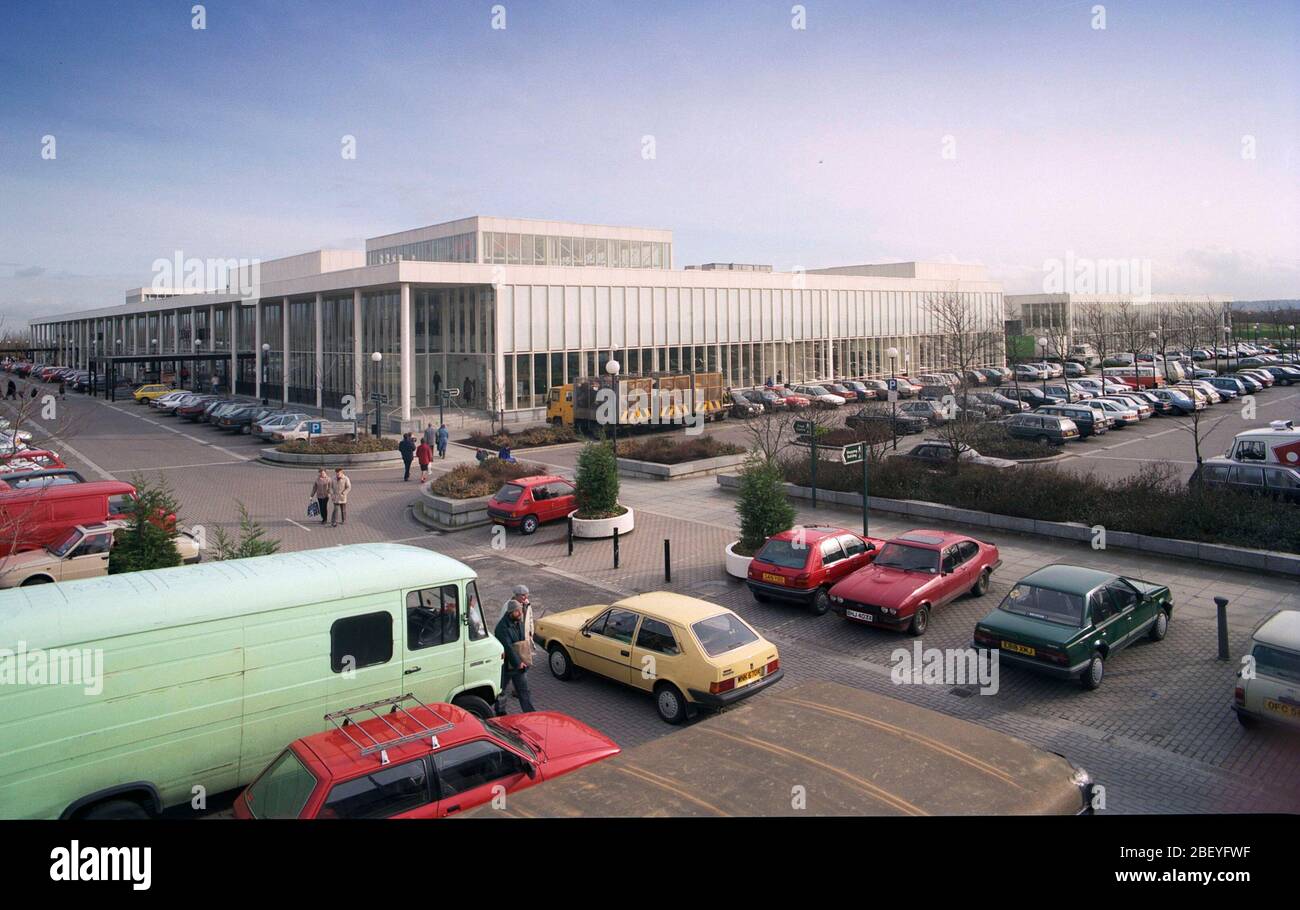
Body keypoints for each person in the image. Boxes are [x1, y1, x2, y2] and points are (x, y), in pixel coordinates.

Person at [494, 595, 535, 714]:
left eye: (520, 611)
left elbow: (521, 643)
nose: (520, 613)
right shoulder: (502, 628)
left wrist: (524, 660)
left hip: (518, 665)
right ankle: (500, 714)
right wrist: (518, 663)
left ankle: (530, 713)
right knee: (501, 691)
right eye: (517, 611)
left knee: (524, 691)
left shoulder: (518, 622)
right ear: (511, 612)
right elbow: (508, 648)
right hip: (506, 666)